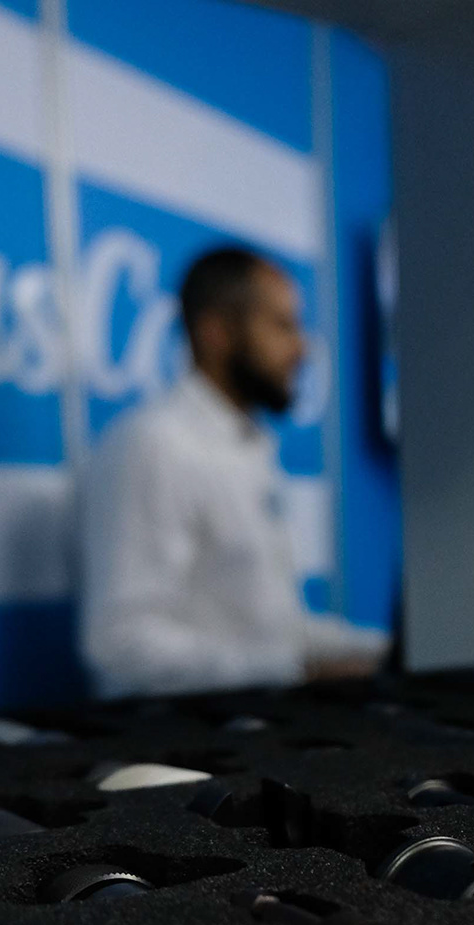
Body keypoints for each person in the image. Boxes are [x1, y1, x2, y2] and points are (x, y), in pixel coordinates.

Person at [79, 246, 386, 699]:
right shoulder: (154, 445)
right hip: (182, 737)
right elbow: (120, 644)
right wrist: (296, 671)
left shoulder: (248, 445)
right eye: (282, 326)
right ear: (216, 333)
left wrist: (385, 651)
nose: (301, 347)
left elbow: (274, 630)